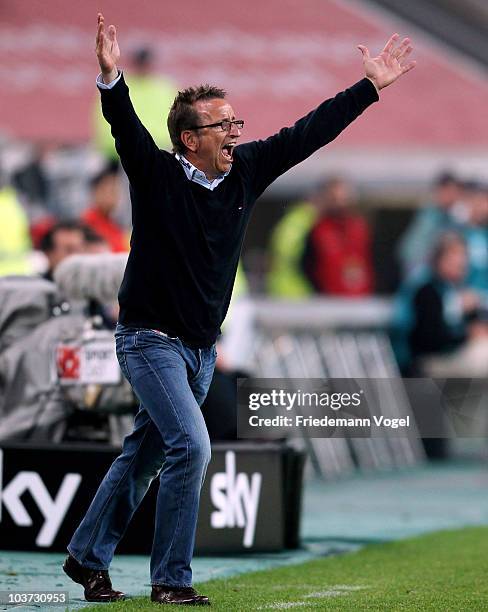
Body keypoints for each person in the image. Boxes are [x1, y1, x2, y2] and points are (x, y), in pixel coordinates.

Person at [62, 12, 416, 606]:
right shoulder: (155, 175)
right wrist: (111, 78)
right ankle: (171, 581)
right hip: (149, 341)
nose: (234, 132)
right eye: (221, 125)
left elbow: (309, 131)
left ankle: (85, 557)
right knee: (192, 448)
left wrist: (369, 87)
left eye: (237, 122)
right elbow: (123, 125)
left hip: (201, 351)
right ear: (189, 139)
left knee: (145, 455)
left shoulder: (246, 171)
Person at [301, 177, 374, 296]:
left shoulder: (360, 227)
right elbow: (307, 265)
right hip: (328, 299)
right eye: (334, 198)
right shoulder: (318, 229)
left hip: (361, 298)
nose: (341, 203)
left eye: (344, 197)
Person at [397, 172, 461, 279]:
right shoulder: (430, 215)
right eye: (451, 191)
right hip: (419, 266)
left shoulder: (448, 216)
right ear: (440, 191)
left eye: (456, 192)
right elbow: (415, 251)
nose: (454, 196)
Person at [81, 162, 129, 253]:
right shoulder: (87, 224)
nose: (115, 195)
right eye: (110, 190)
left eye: (116, 189)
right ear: (95, 191)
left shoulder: (114, 224)